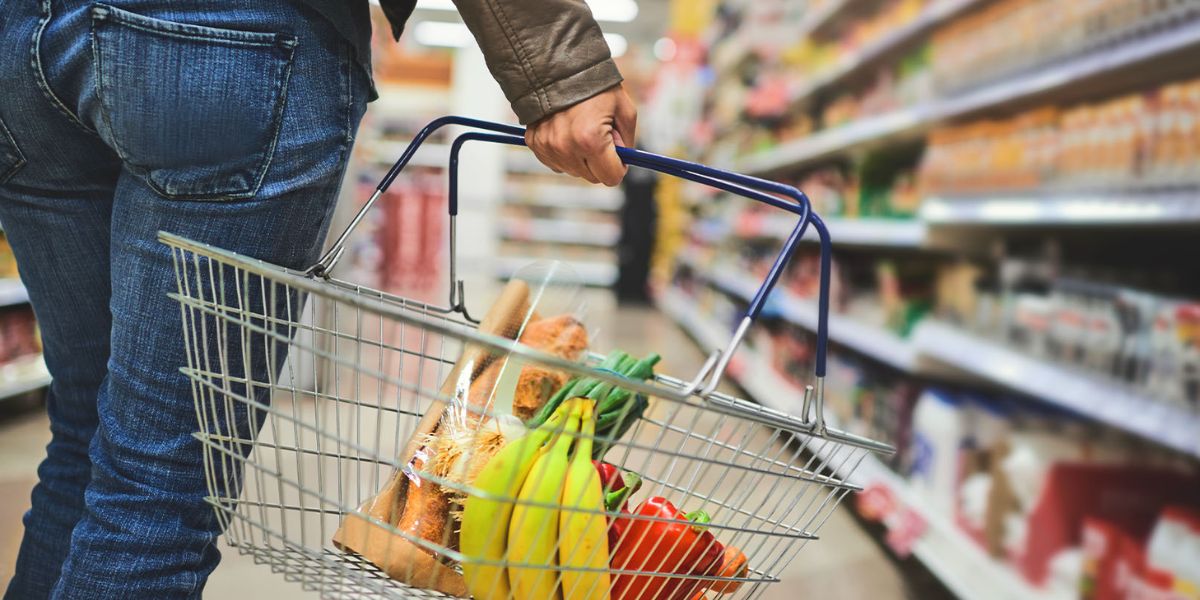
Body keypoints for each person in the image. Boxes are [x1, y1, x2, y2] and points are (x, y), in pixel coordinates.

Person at [0, 1, 636, 597]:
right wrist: (566, 71)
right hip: (221, 38)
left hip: (21, 44)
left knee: (85, 432)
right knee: (154, 483)